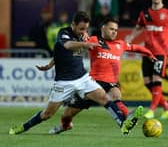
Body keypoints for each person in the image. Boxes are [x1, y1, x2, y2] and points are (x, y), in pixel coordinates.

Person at [9, 11, 143, 136]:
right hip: (64, 82)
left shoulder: (83, 36)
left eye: (85, 29)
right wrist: (84, 45)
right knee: (47, 114)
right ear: (73, 25)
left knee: (105, 98)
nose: (83, 31)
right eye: (81, 29)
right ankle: (23, 127)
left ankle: (123, 125)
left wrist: (50, 64)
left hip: (83, 78)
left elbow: (60, 54)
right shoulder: (63, 33)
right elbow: (66, 46)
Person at [37, 17, 156, 135]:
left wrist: (150, 54)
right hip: (92, 85)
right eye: (111, 29)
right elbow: (74, 45)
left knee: (115, 95)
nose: (114, 32)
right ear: (103, 28)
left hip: (110, 84)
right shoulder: (93, 40)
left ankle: (128, 116)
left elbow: (136, 48)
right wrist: (82, 36)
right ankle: (65, 126)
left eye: (116, 30)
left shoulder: (120, 44)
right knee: (67, 115)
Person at [126, 0, 168, 119]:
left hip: (161, 52)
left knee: (156, 79)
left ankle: (152, 109)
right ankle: (166, 106)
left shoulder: (166, 13)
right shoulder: (145, 13)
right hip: (147, 52)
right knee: (146, 82)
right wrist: (131, 37)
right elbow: (139, 27)